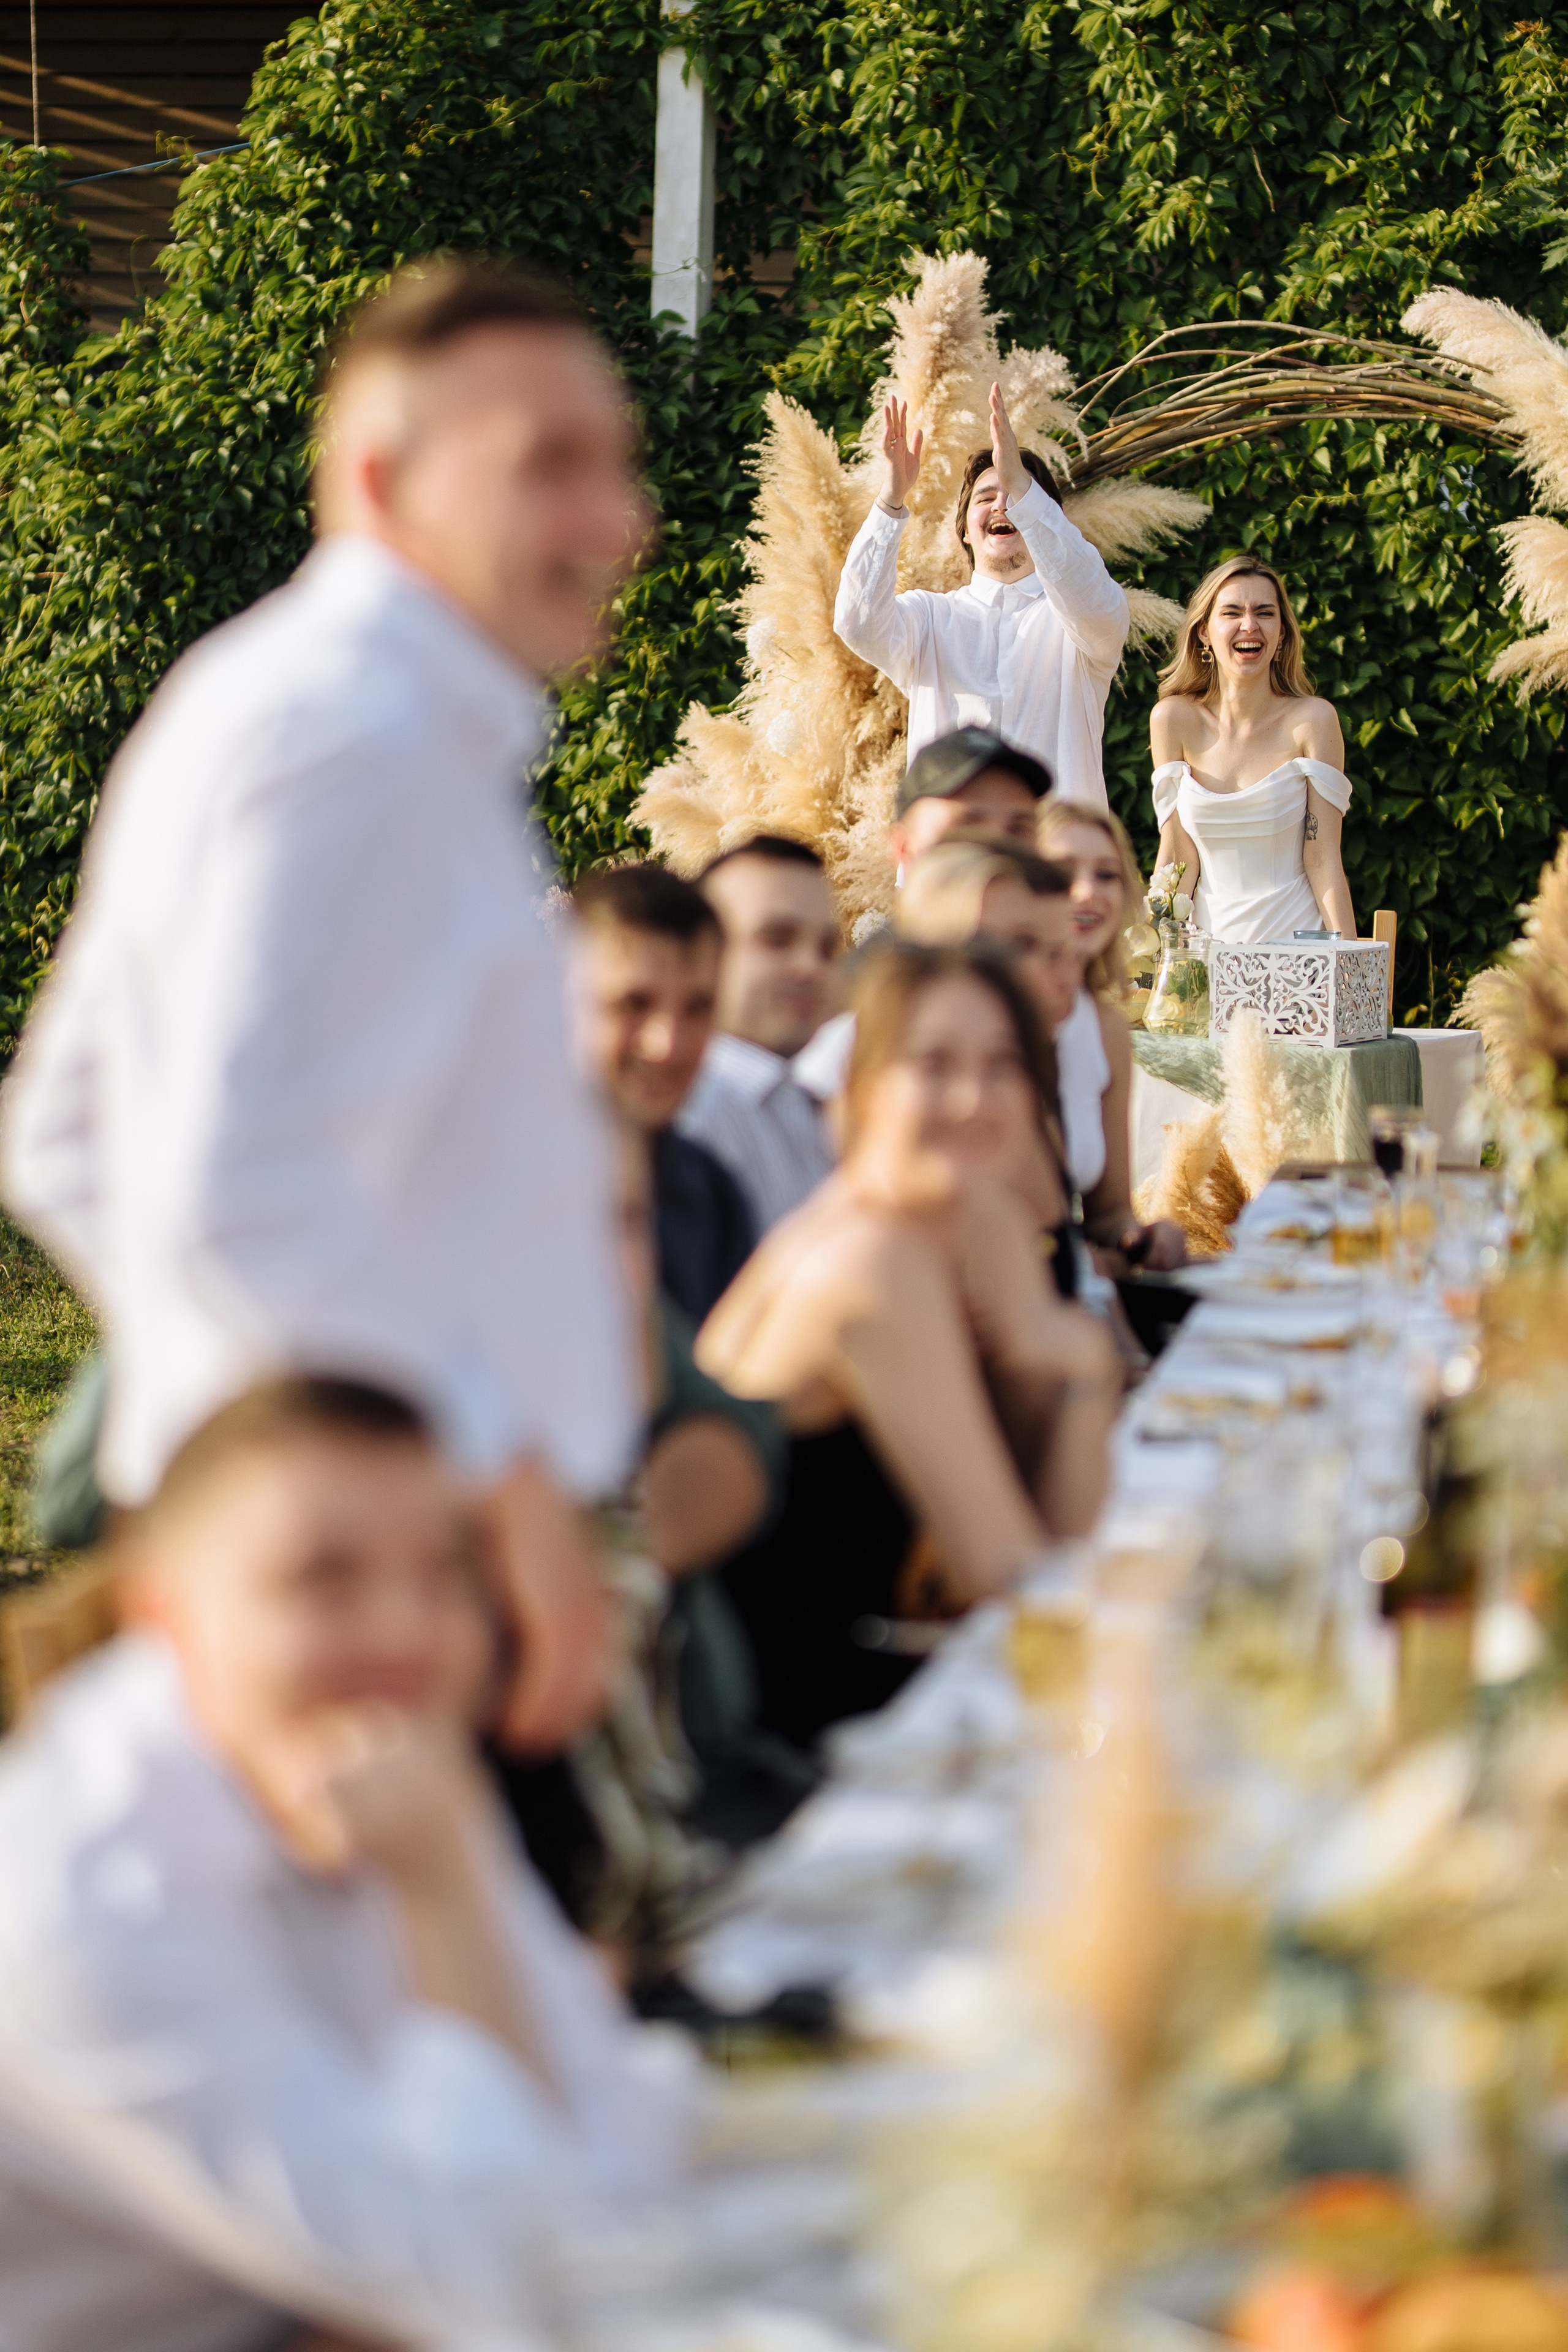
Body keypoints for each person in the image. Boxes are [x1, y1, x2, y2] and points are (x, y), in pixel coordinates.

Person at [1, 258, 649, 1757]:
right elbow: (244, 1185)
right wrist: (488, 1496)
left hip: (351, 1552)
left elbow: (62, 1138)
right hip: (411, 1580)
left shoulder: (312, 702)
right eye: (549, 464)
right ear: (380, 478)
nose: (616, 520)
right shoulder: (353, 734)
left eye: (614, 464)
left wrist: (218, 1419)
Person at [0, 1378, 693, 2352]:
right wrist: (443, 1892)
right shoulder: (77, 1908)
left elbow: (607, 2128)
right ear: (162, 1613)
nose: (406, 1632)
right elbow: (502, 2298)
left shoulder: (367, 1747)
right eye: (324, 1580)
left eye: (447, 1570)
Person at [697, 943, 1121, 1752]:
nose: (972, 1097)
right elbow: (1013, 1583)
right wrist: (1077, 1355)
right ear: (864, 1088)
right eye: (933, 1064)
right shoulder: (870, 1261)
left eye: (1001, 1065)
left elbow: (1059, 1539)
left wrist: (1084, 1369)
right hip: (773, 1757)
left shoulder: (971, 1223)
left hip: (871, 1690)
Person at [833, 382, 1128, 810]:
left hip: (1052, 863)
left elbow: (1096, 603)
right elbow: (857, 623)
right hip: (951, 862)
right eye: (986, 498)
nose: (1003, 506)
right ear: (965, 533)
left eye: (1018, 496)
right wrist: (891, 500)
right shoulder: (929, 618)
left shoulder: (1079, 623)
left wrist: (1027, 496)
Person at [571, 862, 756, 1325]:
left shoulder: (712, 1194)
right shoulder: (485, 1183)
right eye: (633, 1004)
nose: (667, 1045)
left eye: (697, 1008)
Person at [1150, 556, 1357, 944]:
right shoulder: (1172, 720)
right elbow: (1178, 858)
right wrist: (1154, 964)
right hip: (1207, 954)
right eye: (1232, 612)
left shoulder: (1313, 720)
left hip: (1299, 955)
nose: (1250, 625)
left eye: (1265, 613)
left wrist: (1349, 970)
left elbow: (1324, 857)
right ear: (1204, 632)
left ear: (1282, 634)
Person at [1036, 799, 1186, 1273]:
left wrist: (1141, 1239)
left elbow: (1108, 1214)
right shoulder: (985, 1012)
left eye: (1106, 875)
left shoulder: (1104, 1030)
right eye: (1062, 873)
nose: (1087, 892)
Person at [677, 835, 843, 1232]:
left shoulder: (809, 1106)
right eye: (777, 940)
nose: (809, 967)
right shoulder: (691, 1115)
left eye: (826, 948)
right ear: (704, 952)